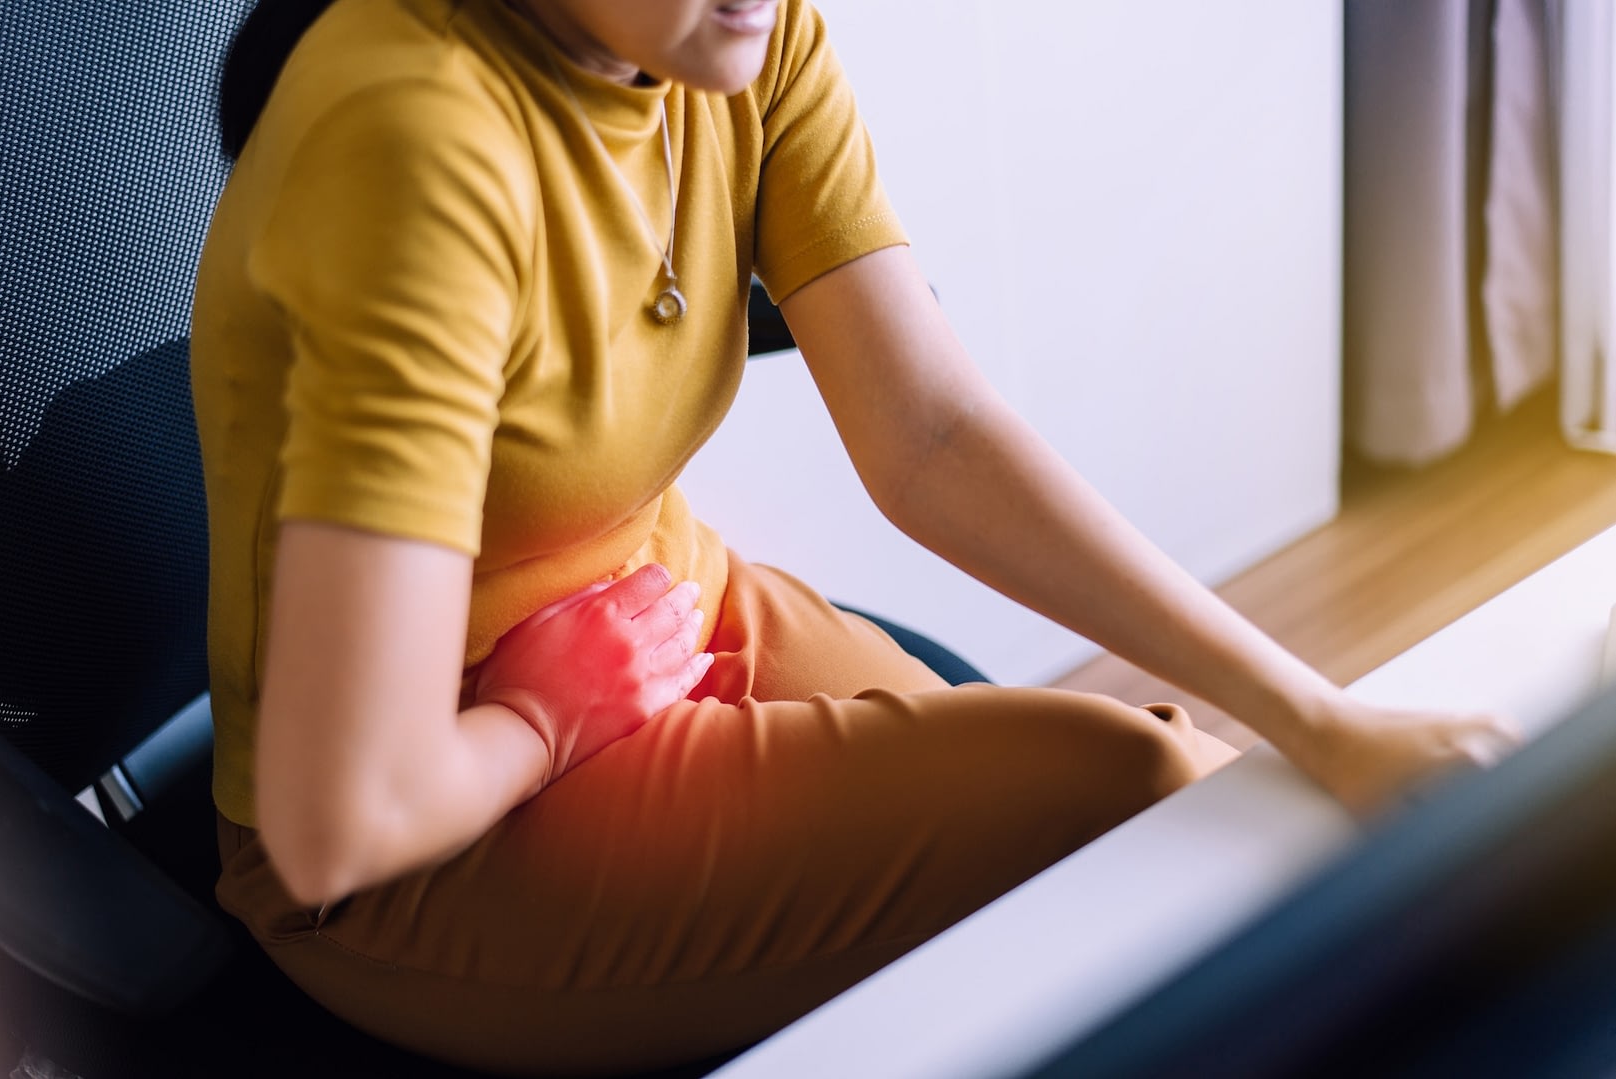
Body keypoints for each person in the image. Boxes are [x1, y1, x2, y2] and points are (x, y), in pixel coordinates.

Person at [190, 0, 1519, 1073]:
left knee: (1154, 829)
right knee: (1124, 790)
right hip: (428, 829)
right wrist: (544, 719)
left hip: (657, 618)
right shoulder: (414, 138)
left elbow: (929, 434)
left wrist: (1317, 714)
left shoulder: (739, 39)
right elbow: (336, 828)